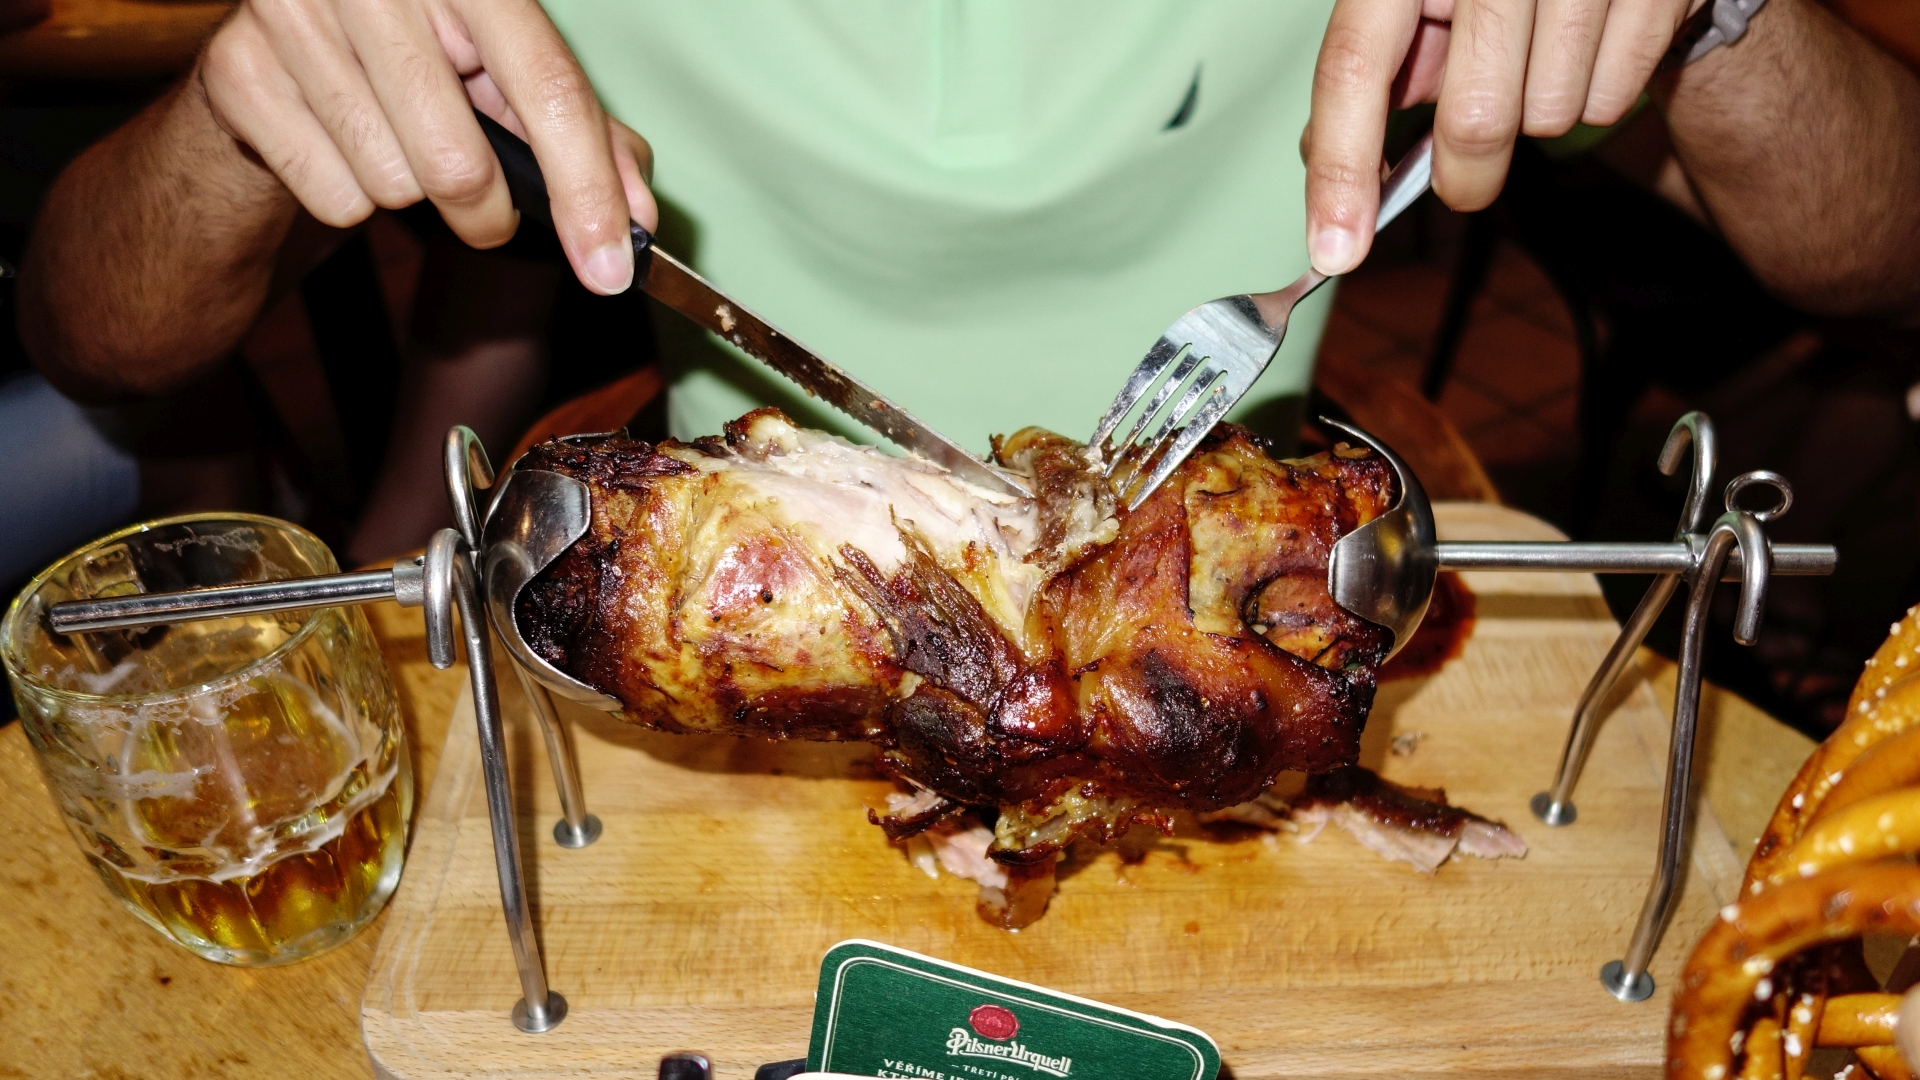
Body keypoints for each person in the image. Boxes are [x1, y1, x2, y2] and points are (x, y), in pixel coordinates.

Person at [18, 0, 1920, 555]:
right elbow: (91, 339)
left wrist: (1714, 10)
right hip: (755, 576)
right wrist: (232, 119)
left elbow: (1888, 256)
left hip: (1238, 543)